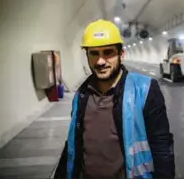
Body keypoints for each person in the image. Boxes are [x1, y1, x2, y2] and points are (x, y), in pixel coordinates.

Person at [54, 19, 175, 179]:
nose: (100, 61)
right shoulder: (81, 94)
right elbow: (72, 144)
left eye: (108, 52)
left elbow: (161, 146)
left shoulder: (144, 90)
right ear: (87, 55)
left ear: (121, 54)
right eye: (94, 53)